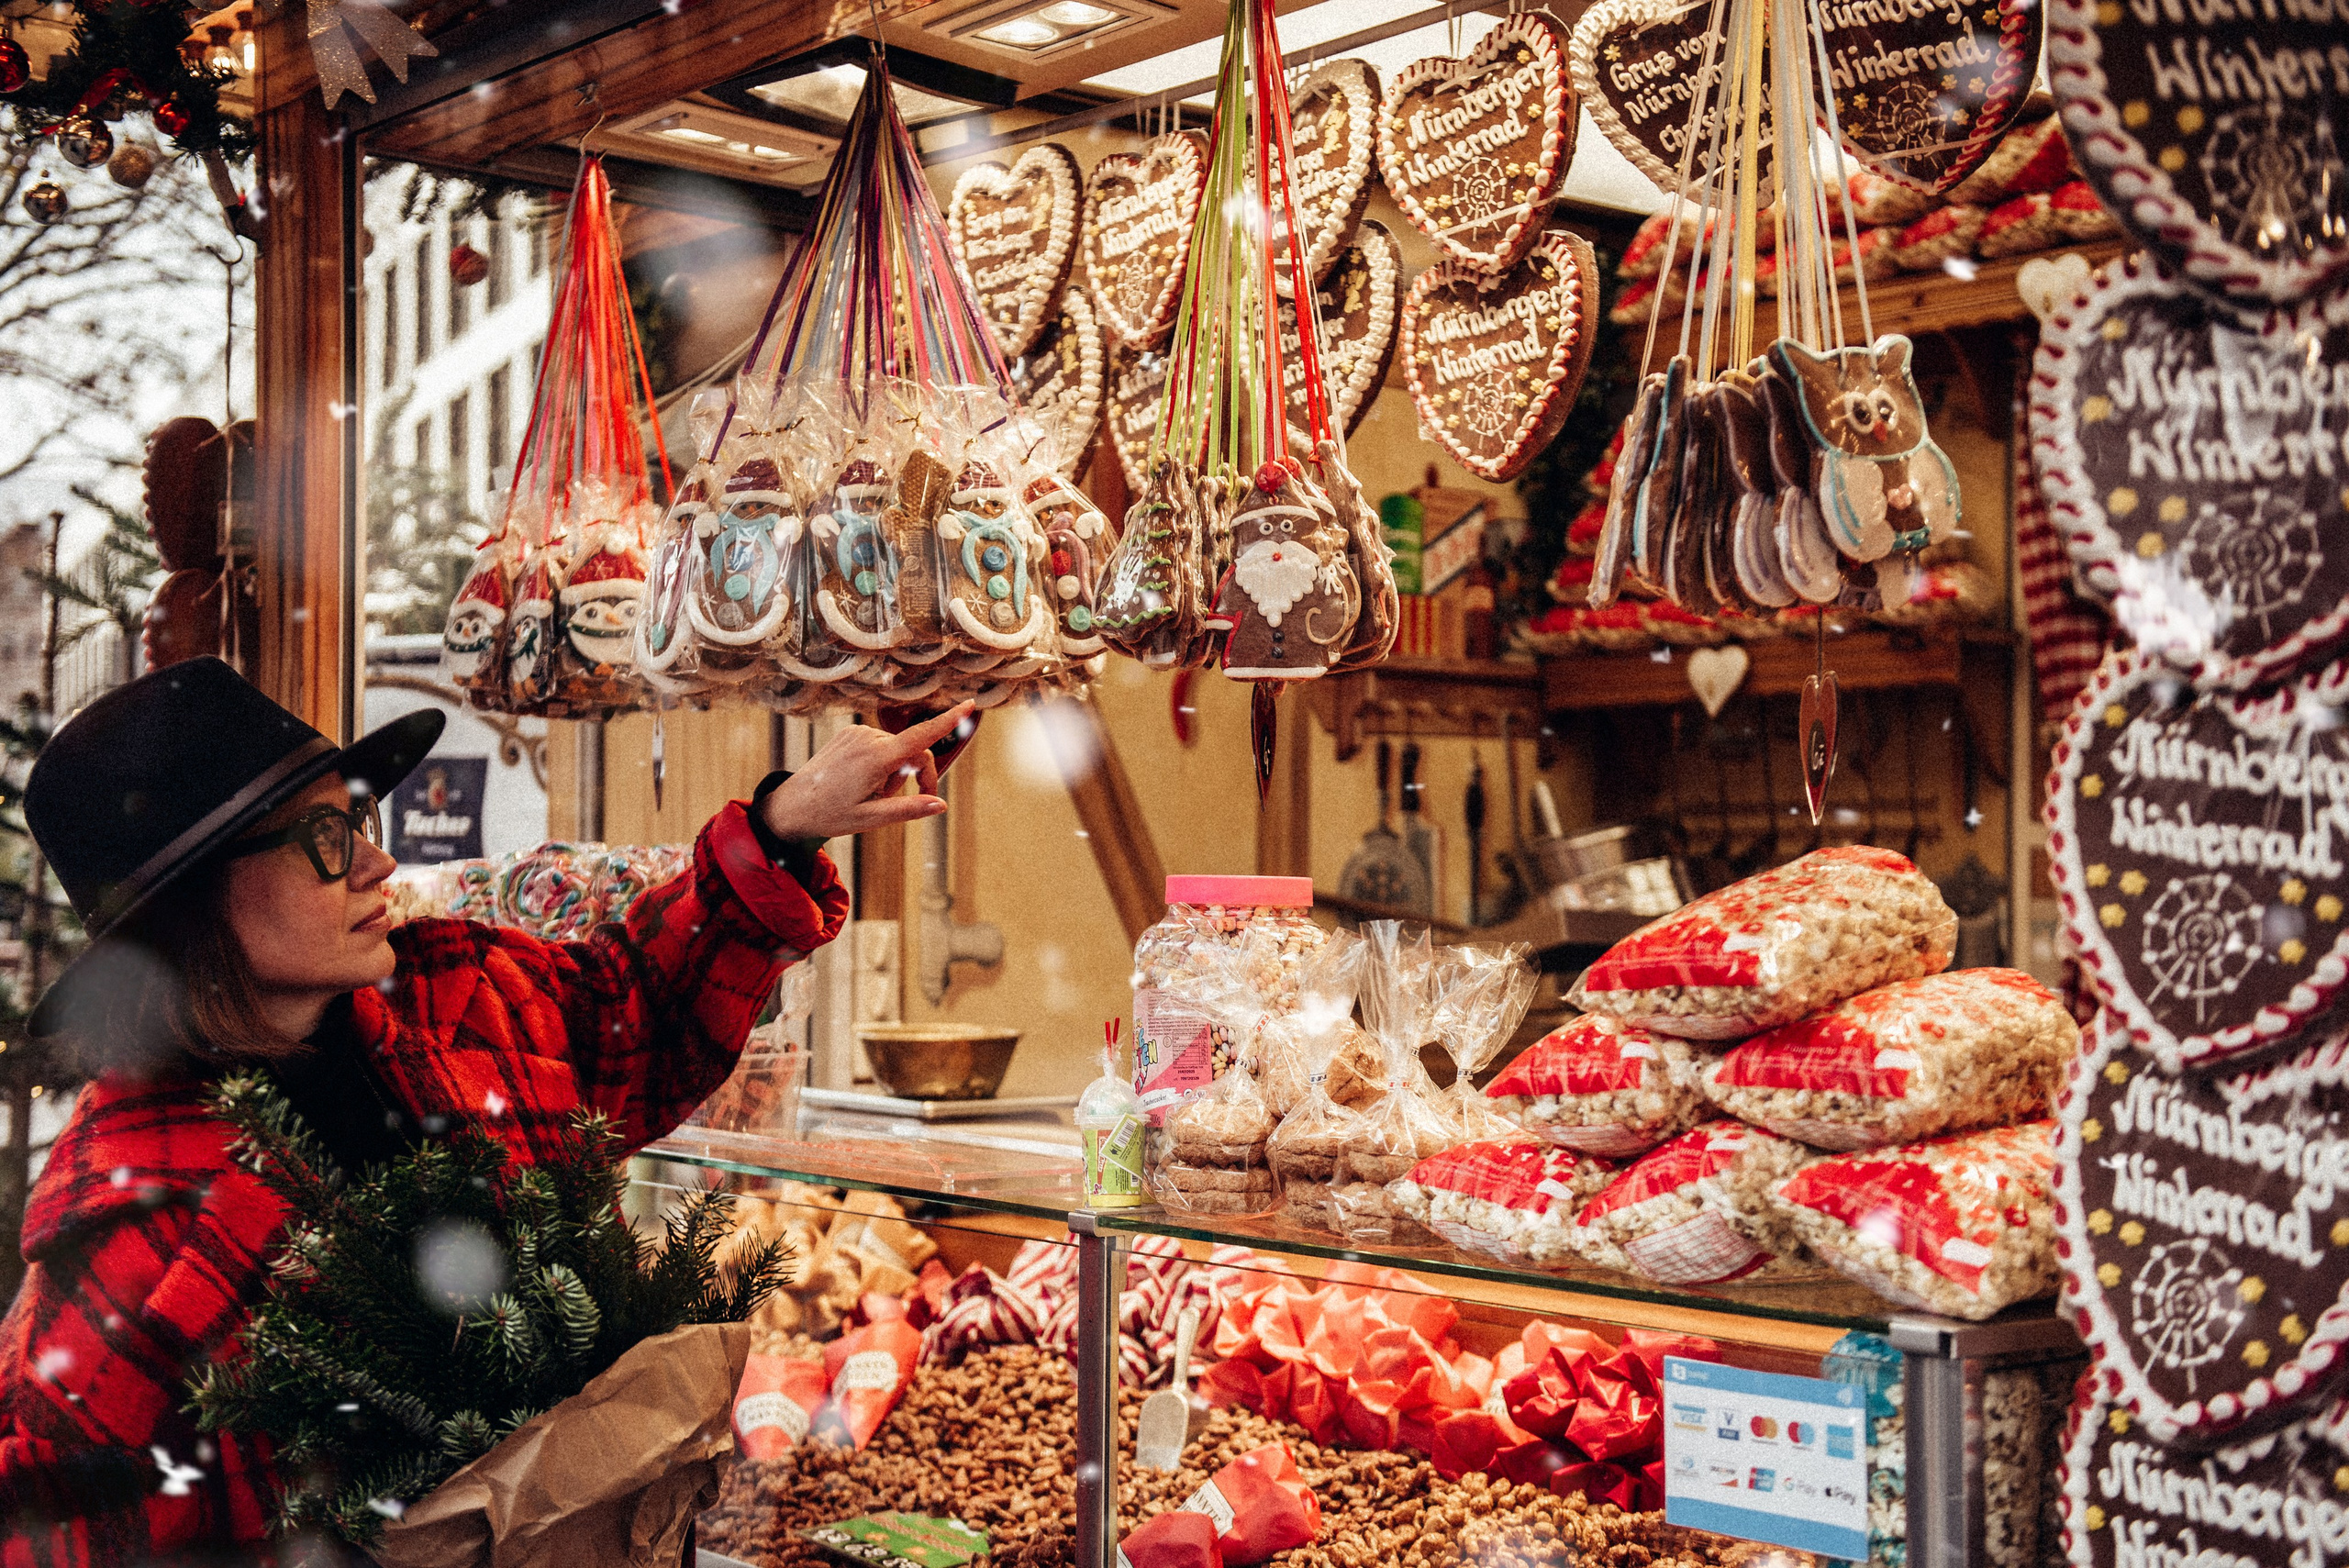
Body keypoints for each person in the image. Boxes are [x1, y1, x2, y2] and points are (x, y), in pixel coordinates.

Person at [0, 657, 963, 1565]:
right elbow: (64, 1522)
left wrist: (787, 822)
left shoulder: (453, 991)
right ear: (193, 910)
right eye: (327, 841)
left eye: (360, 819)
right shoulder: (137, 1224)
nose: (377, 865)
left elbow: (637, 1010)